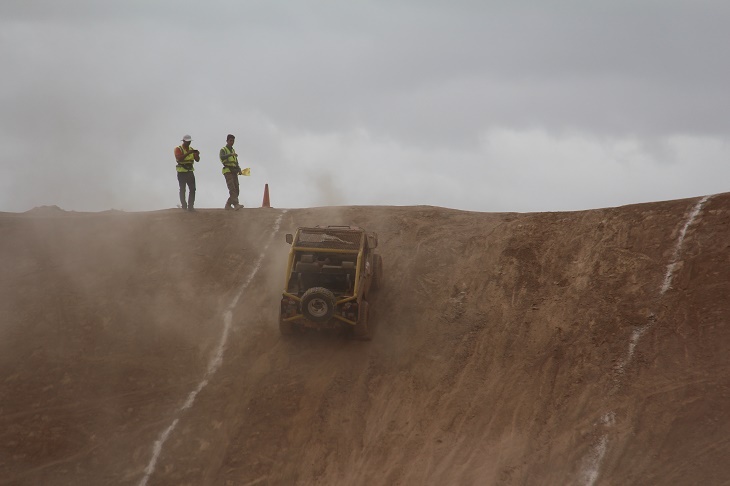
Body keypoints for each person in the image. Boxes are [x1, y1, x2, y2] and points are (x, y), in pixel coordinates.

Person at [174, 135, 200, 211]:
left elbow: (197, 160)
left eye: (190, 141)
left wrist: (197, 154)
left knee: (192, 189)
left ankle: (190, 206)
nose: (189, 143)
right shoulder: (178, 149)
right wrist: (188, 153)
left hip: (190, 171)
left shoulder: (191, 149)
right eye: (188, 141)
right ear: (184, 141)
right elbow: (179, 158)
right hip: (181, 171)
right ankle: (184, 205)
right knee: (182, 189)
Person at [219, 134, 243, 210]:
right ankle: (236, 204)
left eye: (233, 141)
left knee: (237, 189)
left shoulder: (233, 150)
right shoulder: (223, 149)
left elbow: (235, 161)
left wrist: (239, 169)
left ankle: (228, 204)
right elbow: (222, 157)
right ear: (227, 141)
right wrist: (230, 154)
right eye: (230, 140)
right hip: (227, 171)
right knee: (232, 188)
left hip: (234, 171)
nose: (232, 142)